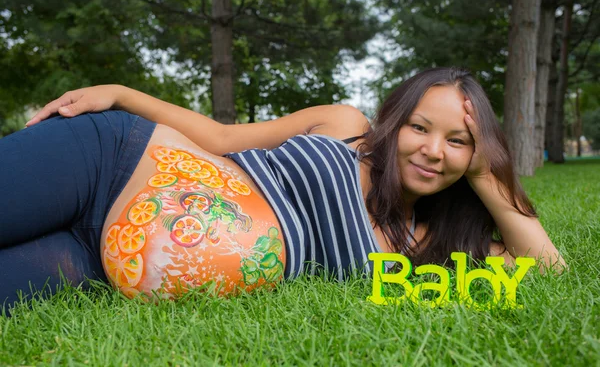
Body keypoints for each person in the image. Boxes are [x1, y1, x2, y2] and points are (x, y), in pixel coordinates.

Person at [1, 67, 563, 313]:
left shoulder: (425, 249)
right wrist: (121, 93)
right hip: (110, 160)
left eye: (458, 141)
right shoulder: (346, 125)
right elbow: (220, 136)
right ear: (395, 123)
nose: (433, 150)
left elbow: (550, 270)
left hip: (91, 264)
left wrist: (490, 173)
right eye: (420, 127)